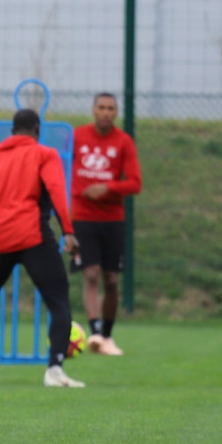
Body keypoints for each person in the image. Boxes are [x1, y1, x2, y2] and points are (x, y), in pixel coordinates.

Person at [0, 108, 85, 389]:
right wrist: (68, 232)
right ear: (37, 130)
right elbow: (57, 191)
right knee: (58, 301)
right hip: (34, 237)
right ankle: (54, 370)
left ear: (11, 132)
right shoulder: (45, 155)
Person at [70, 92, 143, 355]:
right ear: (93, 110)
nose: (105, 112)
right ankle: (96, 333)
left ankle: (108, 336)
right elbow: (60, 166)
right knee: (89, 274)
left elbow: (135, 183)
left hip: (112, 219)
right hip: (82, 217)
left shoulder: (123, 142)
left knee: (111, 279)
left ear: (116, 112)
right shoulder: (77, 136)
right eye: (101, 107)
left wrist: (107, 188)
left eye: (110, 108)